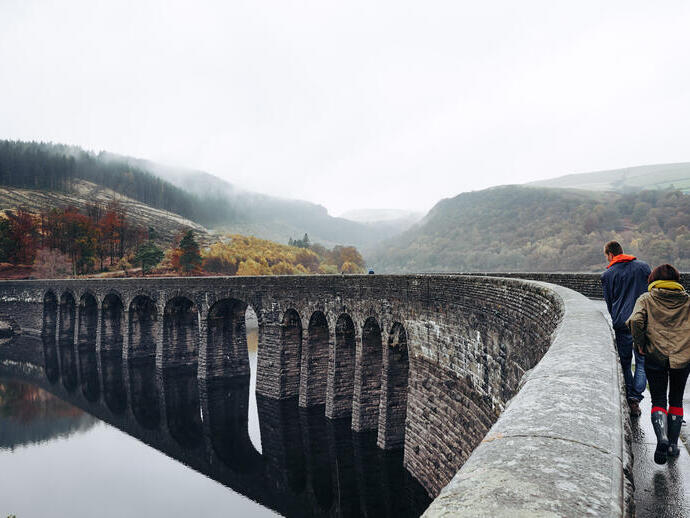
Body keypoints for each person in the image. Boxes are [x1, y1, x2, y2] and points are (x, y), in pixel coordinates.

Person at [627, 264, 690, 464]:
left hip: (655, 356)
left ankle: (661, 437)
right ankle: (672, 445)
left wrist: (640, 343)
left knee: (659, 399)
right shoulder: (687, 300)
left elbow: (636, 320)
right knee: (677, 400)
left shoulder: (646, 299)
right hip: (683, 357)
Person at [601, 241, 651, 416]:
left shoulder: (607, 275)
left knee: (625, 361)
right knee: (642, 361)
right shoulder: (643, 267)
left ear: (610, 254)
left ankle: (631, 397)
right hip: (643, 321)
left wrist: (616, 316)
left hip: (622, 324)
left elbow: (609, 302)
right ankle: (635, 397)